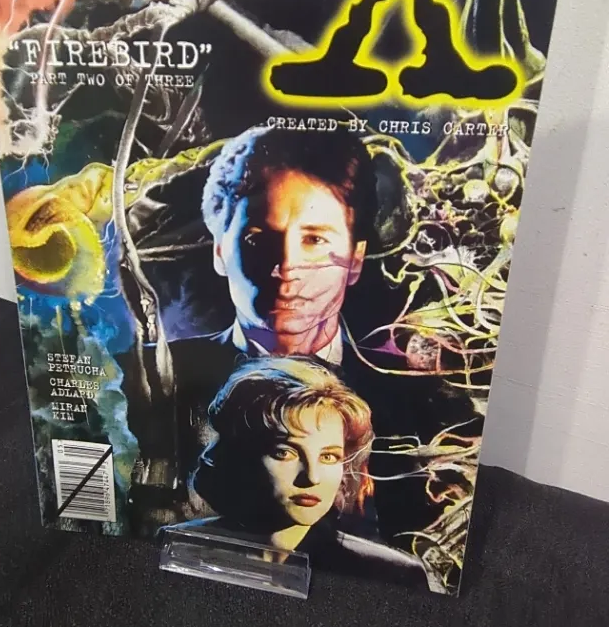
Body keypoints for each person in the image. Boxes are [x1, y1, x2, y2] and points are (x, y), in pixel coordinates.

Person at [159, 126, 479, 530]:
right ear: (220, 252)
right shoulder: (154, 381)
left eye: (314, 239)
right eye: (257, 239)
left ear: (356, 259)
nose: (287, 267)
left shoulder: (425, 404)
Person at [173, 356, 429, 589]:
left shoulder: (389, 574)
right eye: (285, 453)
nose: (312, 477)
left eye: (329, 457)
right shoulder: (181, 546)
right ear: (240, 455)